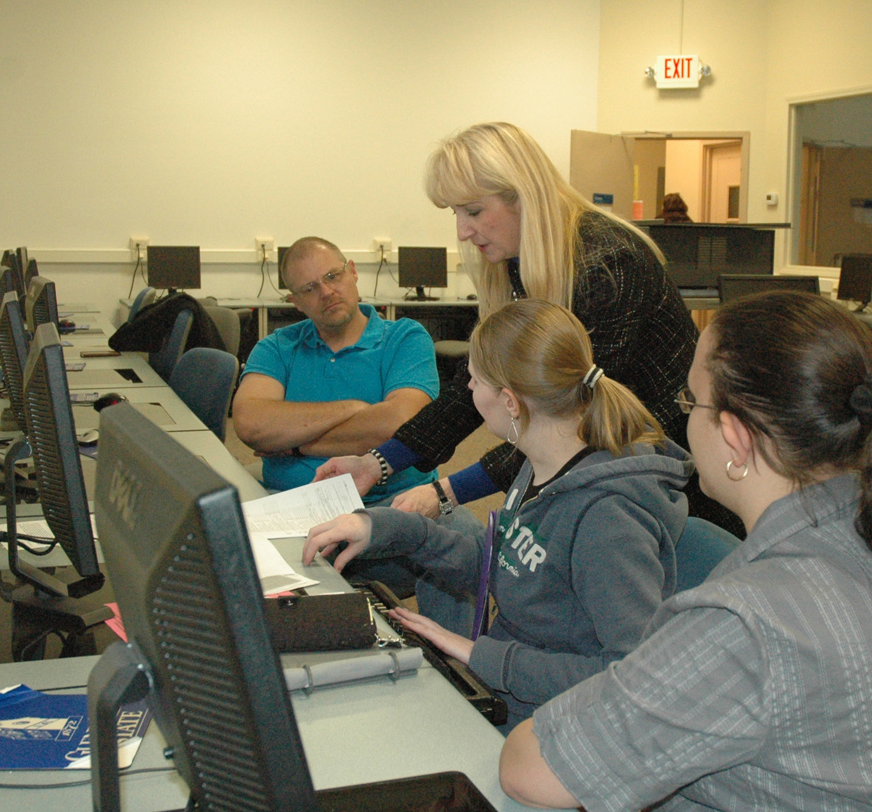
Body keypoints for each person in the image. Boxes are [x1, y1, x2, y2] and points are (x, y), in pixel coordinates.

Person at [498, 292, 872, 812]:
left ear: (735, 436)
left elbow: (530, 767)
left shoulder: (750, 618)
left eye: (691, 401)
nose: (684, 417)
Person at [313, 122, 733, 534]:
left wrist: (446, 492)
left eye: (474, 211)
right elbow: (473, 385)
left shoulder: (606, 265)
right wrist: (378, 462)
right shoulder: (519, 263)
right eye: (456, 213)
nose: (462, 229)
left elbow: (570, 423)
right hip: (616, 470)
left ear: (524, 197)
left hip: (678, 475)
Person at [303, 300, 692, 728]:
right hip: (508, 690)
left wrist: (478, 655)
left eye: (473, 379)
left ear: (509, 401)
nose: (467, 389)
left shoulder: (607, 519)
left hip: (556, 723)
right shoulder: (541, 464)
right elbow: (505, 569)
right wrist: (381, 527)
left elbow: (631, 675)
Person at [231, 237, 438, 504]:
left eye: (333, 276)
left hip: (390, 502)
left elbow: (402, 427)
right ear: (296, 302)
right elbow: (251, 424)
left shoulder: (405, 337)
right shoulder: (276, 347)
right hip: (291, 502)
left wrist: (295, 446)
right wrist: (355, 409)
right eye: (309, 288)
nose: (326, 292)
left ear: (352, 272)